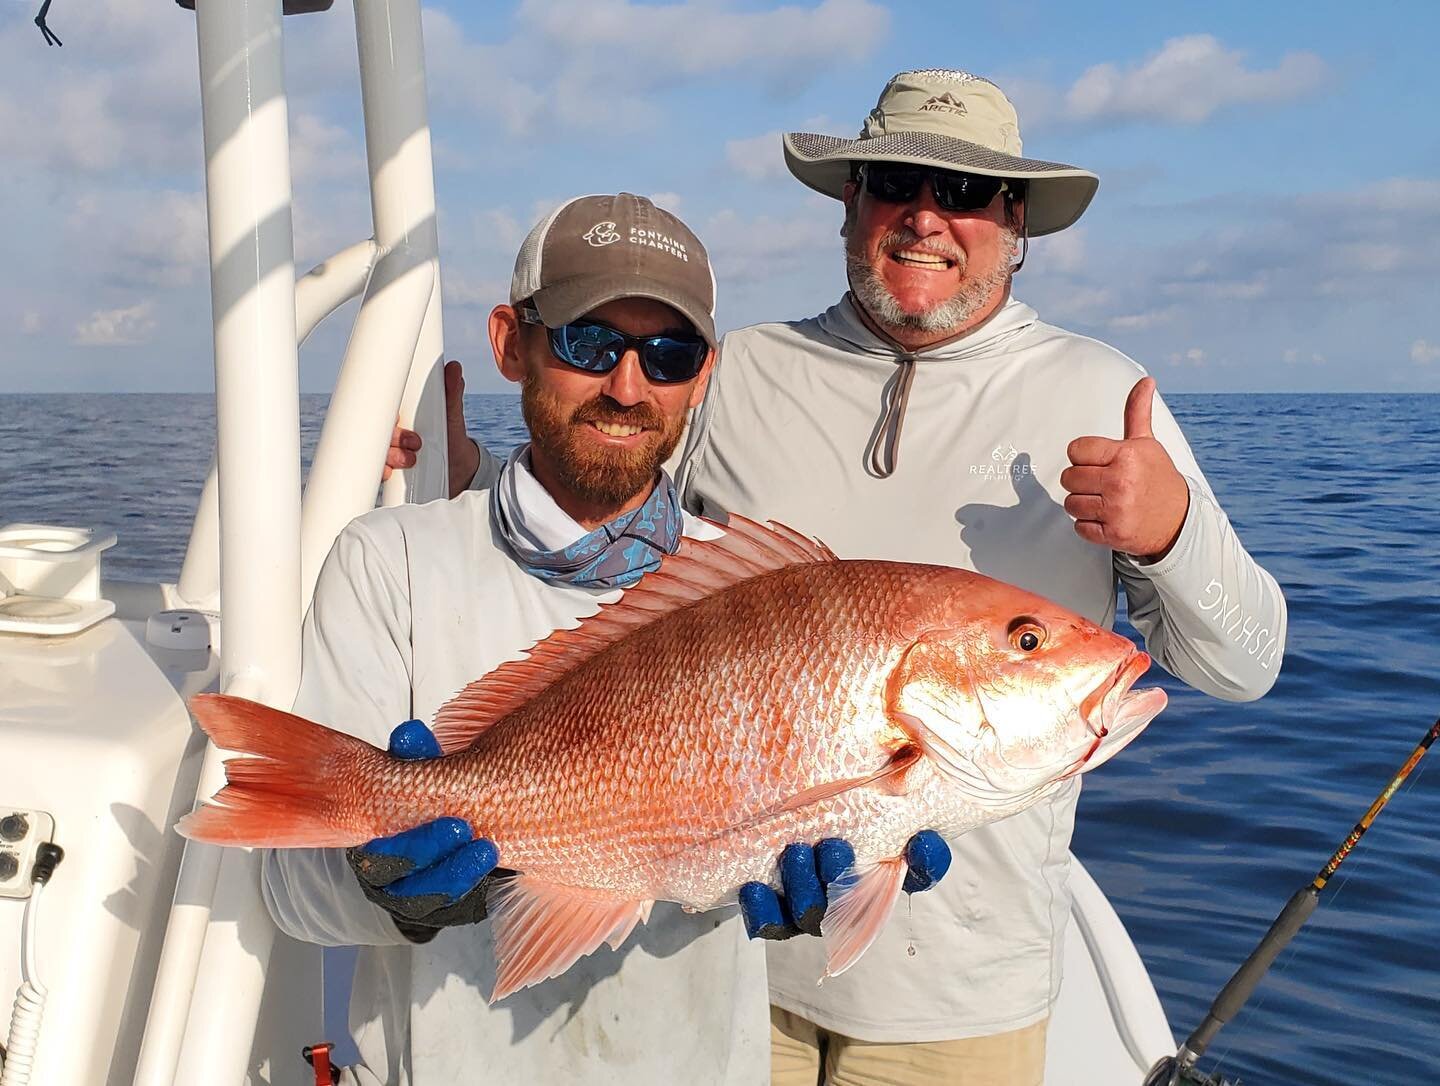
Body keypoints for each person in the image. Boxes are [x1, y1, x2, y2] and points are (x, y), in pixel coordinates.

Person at [407, 69, 1289, 1085]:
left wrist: (1173, 532)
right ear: (848, 203)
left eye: (963, 193)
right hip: (718, 959)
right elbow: (610, 553)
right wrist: (470, 485)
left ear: (1016, 222)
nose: (925, 217)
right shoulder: (736, 374)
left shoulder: (1101, 391)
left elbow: (1247, 664)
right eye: (891, 182)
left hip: (962, 1002)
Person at [267, 192, 948, 1086]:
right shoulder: (391, 559)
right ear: (513, 343)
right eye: (588, 344)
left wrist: (849, 877)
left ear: (701, 377)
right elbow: (291, 894)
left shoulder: (747, 582)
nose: (629, 388)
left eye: (670, 355)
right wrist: (385, 889)